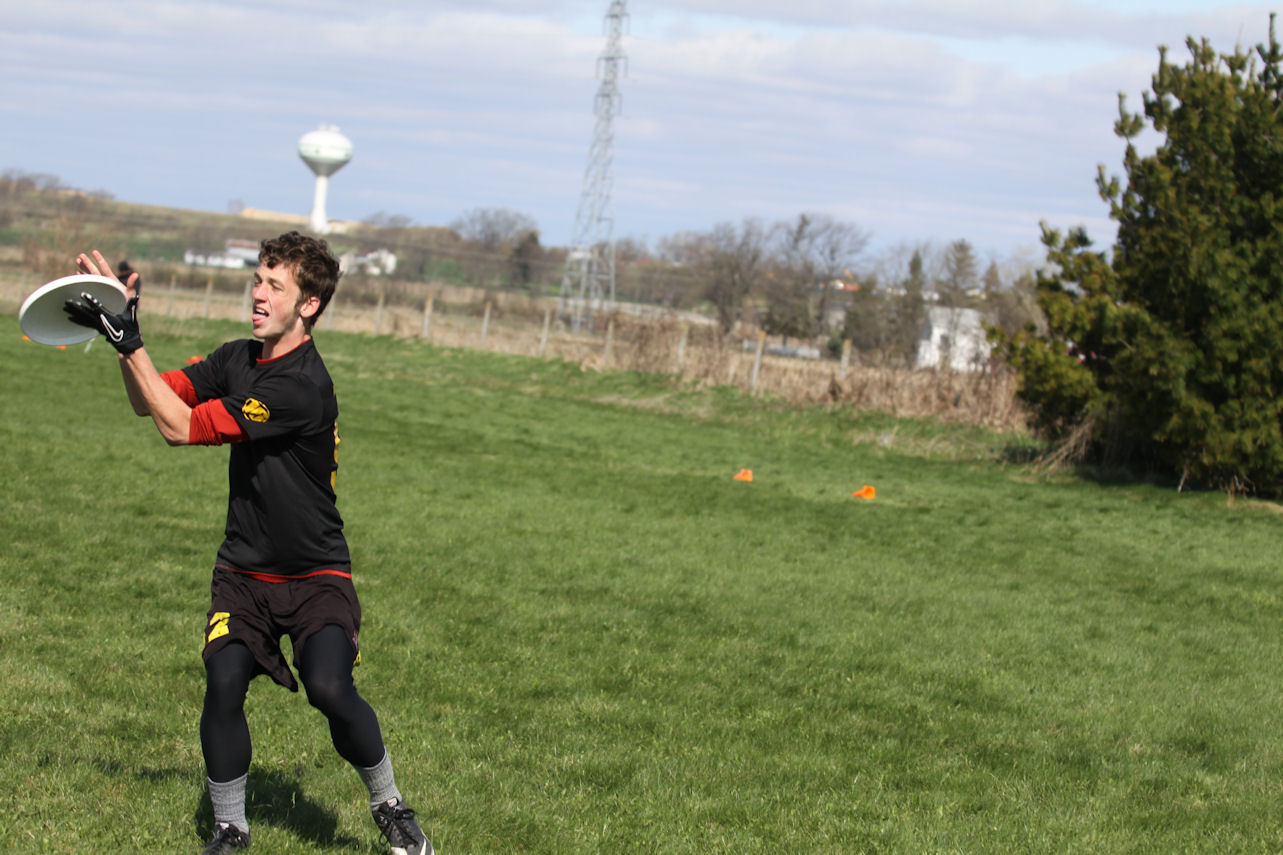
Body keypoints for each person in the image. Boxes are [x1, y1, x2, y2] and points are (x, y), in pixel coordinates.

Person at [63, 233, 433, 855]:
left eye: (274, 286)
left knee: (329, 688)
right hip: (242, 573)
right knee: (224, 683)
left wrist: (130, 342)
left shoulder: (301, 386)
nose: (258, 293)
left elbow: (180, 430)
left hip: (315, 575)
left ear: (309, 305)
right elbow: (151, 404)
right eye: (258, 279)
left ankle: (390, 807)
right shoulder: (237, 357)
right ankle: (231, 829)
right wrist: (124, 339)